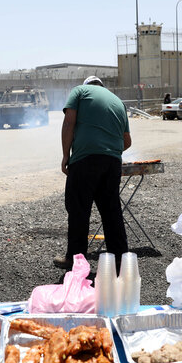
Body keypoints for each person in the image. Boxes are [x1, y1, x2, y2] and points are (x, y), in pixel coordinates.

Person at [57, 76, 131, 269]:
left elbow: (68, 123)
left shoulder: (79, 92)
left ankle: (75, 261)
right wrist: (108, 151)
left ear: (87, 85)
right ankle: (120, 259)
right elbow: (127, 141)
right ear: (101, 87)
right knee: (111, 211)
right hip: (112, 163)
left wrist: (66, 156)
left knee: (79, 210)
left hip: (85, 160)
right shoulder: (118, 101)